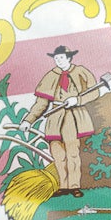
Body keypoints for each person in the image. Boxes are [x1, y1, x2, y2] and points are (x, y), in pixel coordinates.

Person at [30, 41, 105, 190]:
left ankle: (74, 186)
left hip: (74, 117)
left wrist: (77, 100)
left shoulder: (81, 72)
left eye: (61, 58)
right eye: (56, 59)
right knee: (58, 154)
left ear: (69, 58)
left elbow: (94, 92)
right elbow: (41, 103)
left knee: (72, 154)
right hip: (55, 119)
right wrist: (28, 120)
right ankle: (63, 187)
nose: (58, 61)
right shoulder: (51, 76)